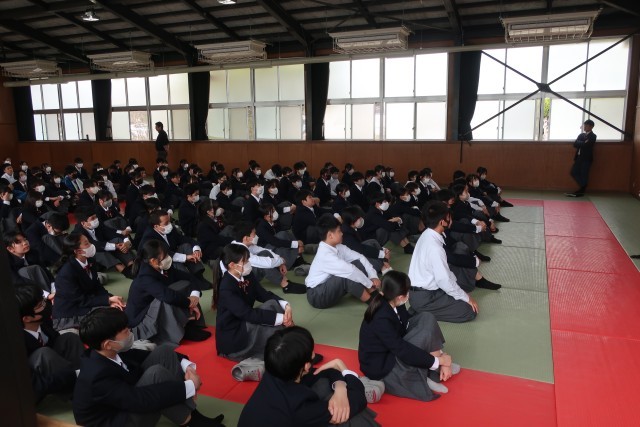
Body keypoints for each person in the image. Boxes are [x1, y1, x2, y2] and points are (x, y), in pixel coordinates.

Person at [73, 308, 224, 427]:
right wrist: (191, 385)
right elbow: (139, 400)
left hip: (124, 400)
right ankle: (191, 421)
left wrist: (188, 368)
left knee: (164, 351)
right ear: (108, 344)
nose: (130, 332)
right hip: (116, 421)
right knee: (156, 374)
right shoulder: (97, 375)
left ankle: (193, 416)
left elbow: (150, 356)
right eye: (125, 331)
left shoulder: (107, 351)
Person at [239, 326, 380, 427]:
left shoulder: (275, 370)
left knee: (324, 384)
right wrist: (343, 368)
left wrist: (340, 387)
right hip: (294, 416)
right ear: (306, 366)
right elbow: (359, 399)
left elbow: (323, 372)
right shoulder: (299, 407)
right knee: (352, 418)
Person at [359, 271, 459, 400]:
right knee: (420, 338)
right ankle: (425, 374)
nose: (409, 294)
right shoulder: (380, 317)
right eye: (408, 292)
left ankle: (436, 366)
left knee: (426, 318)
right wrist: (440, 361)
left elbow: (406, 325)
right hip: (383, 365)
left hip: (394, 347)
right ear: (400, 297)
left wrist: (440, 357)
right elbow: (402, 350)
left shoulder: (393, 301)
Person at [215, 244, 293, 362]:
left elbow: (262, 294)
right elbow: (247, 314)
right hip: (234, 337)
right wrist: (282, 318)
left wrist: (285, 305)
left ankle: (290, 341)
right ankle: (291, 349)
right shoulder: (226, 287)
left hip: (245, 322)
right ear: (232, 265)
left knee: (273, 304)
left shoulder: (246, 274)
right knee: (274, 332)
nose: (248, 263)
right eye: (245, 261)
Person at [126, 240, 210, 345]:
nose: (168, 258)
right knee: (167, 297)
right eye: (165, 256)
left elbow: (190, 278)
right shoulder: (145, 277)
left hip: (155, 310)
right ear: (153, 261)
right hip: (142, 320)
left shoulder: (164, 268)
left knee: (182, 285)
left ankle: (188, 323)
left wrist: (194, 296)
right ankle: (181, 331)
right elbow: (168, 296)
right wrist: (190, 303)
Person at [408, 201, 478, 323]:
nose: (451, 220)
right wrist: (466, 298)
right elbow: (443, 281)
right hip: (426, 297)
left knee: (459, 288)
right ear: (442, 222)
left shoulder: (427, 234)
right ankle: (421, 310)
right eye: (449, 217)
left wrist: (460, 293)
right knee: (469, 310)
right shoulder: (435, 247)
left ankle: (420, 308)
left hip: (422, 293)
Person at [16, 284, 83, 402]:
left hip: (53, 374)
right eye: (40, 305)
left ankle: (86, 379)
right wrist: (72, 375)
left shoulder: (43, 322)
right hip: (30, 389)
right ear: (27, 318)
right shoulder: (15, 343)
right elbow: (34, 385)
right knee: (43, 354)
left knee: (68, 339)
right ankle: (78, 393)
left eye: (43, 300)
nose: (46, 305)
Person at [52, 233, 125, 330]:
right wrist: (107, 301)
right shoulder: (66, 272)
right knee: (113, 315)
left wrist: (109, 298)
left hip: (86, 301)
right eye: (87, 244)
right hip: (71, 312)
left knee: (119, 306)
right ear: (78, 251)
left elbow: (97, 286)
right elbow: (80, 300)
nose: (91, 245)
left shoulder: (90, 261)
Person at [305, 215, 380, 309]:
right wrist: (370, 284)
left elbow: (360, 257)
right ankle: (373, 304)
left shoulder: (338, 247)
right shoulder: (325, 255)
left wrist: (373, 276)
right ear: (330, 235)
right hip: (317, 295)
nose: (342, 233)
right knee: (346, 275)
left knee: (357, 263)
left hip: (328, 284)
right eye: (339, 231)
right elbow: (350, 271)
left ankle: (373, 293)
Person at [567, 119, 596, 197]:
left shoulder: (593, 136)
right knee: (573, 172)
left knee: (584, 174)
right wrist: (583, 143)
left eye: (586, 126)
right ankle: (583, 186)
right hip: (579, 158)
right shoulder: (581, 135)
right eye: (584, 125)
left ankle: (582, 190)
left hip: (586, 159)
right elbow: (575, 144)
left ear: (591, 127)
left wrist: (580, 143)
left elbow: (587, 145)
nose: (584, 127)